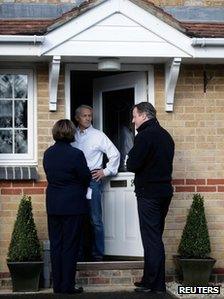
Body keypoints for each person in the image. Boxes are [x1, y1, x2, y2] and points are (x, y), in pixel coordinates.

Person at [126, 102, 175, 294]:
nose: (133, 120)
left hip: (149, 195)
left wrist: (130, 157)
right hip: (164, 193)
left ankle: (156, 285)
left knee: (152, 239)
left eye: (135, 116)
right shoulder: (166, 136)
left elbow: (132, 164)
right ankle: (149, 279)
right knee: (154, 237)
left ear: (144, 116)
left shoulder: (144, 136)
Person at [43, 119, 91, 294]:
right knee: (70, 245)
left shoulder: (48, 153)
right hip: (73, 205)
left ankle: (58, 286)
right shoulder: (76, 154)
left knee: (56, 244)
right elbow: (86, 177)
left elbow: (50, 175)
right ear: (71, 133)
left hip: (54, 204)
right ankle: (68, 286)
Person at [72, 105, 120, 261]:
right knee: (77, 218)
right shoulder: (71, 135)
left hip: (93, 181)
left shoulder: (98, 135)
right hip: (76, 182)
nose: (88, 118)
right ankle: (78, 254)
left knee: (95, 219)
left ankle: (98, 254)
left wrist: (105, 172)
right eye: (84, 116)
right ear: (77, 118)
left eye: (90, 116)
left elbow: (115, 154)